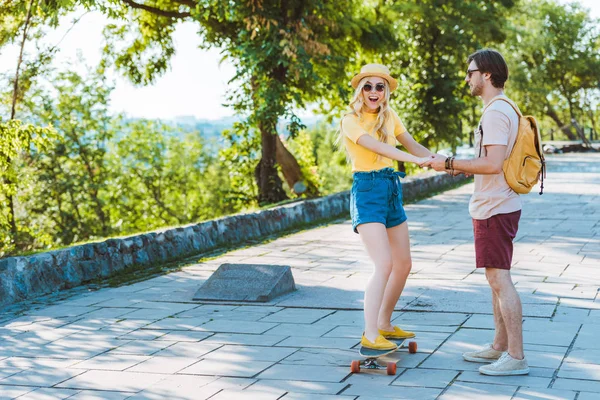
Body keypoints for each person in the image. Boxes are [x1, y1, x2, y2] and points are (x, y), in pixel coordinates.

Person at [424, 49, 529, 376]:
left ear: (486, 74)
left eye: (470, 72)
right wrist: (458, 167)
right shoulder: (505, 107)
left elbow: (492, 164)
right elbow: (491, 164)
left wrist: (449, 163)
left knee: (499, 278)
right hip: (499, 202)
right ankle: (499, 346)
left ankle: (516, 356)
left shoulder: (495, 112)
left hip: (495, 206)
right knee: (493, 278)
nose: (466, 78)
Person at [339, 63, 433, 351]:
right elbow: (377, 148)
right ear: (360, 90)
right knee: (384, 264)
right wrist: (414, 161)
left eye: (380, 87)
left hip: (391, 189)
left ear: (386, 91)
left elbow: (413, 145)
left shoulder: (390, 116)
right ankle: (369, 333)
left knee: (403, 264)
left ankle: (384, 324)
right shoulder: (349, 119)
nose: (374, 92)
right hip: (367, 189)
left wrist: (447, 163)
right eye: (368, 86)